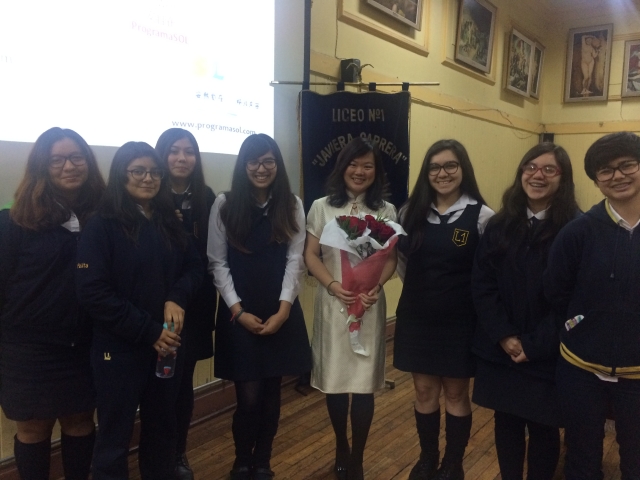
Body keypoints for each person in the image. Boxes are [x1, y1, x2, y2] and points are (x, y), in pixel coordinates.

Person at [76, 141, 203, 480]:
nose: (148, 178)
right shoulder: (101, 225)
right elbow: (93, 292)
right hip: (119, 350)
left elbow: (194, 267)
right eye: (138, 171)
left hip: (167, 348)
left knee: (162, 430)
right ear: (121, 175)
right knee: (114, 436)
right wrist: (149, 332)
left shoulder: (168, 220)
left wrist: (177, 297)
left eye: (154, 172)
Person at [0, 127, 105, 480]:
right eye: (57, 160)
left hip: (85, 344)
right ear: (42, 166)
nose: (68, 166)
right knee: (33, 428)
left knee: (80, 422)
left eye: (76, 158)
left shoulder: (102, 218)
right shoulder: (13, 221)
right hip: (28, 349)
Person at [472, 143, 579, 480]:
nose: (537, 175)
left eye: (549, 169)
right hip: (502, 347)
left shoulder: (576, 229)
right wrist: (504, 335)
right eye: (530, 167)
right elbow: (482, 284)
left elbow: (575, 301)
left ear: (563, 178)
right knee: (506, 422)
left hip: (548, 350)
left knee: (544, 426)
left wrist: (534, 345)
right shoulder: (500, 224)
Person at [208, 133, 311, 480]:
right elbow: (217, 263)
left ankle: (263, 460)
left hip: (280, 310)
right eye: (254, 161)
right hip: (240, 313)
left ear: (277, 165)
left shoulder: (291, 204)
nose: (261, 168)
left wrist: (284, 310)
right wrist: (237, 311)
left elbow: (296, 259)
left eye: (269, 161)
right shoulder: (224, 204)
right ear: (244, 165)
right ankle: (242, 460)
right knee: (248, 397)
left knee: (271, 395)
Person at [394, 139, 493, 480]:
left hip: (460, 322)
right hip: (417, 318)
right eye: (434, 167)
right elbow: (402, 262)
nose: (442, 173)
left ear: (463, 169)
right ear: (426, 173)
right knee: (424, 391)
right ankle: (427, 458)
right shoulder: (408, 213)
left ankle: (453, 463)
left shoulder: (483, 216)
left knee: (455, 393)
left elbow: (487, 272)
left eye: (450, 165)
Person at [545, 132, 640, 480]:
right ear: (596, 181)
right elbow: (556, 291)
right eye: (605, 170)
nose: (618, 176)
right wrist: (581, 323)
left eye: (627, 165)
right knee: (581, 460)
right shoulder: (578, 231)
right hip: (580, 368)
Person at [304, 137, 398, 480]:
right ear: (342, 168)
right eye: (353, 164)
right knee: (335, 380)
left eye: (367, 166)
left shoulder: (387, 210)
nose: (360, 171)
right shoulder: (321, 207)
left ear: (376, 171)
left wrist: (376, 286)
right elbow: (311, 254)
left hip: (369, 306)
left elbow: (391, 258)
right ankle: (341, 445)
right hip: (334, 304)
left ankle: (357, 456)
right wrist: (332, 285)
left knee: (362, 383)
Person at [155, 128, 216, 480]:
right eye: (174, 151)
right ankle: (156, 454)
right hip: (153, 306)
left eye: (189, 151)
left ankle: (178, 452)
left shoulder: (206, 197)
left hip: (194, 305)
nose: (182, 158)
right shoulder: (148, 194)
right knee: (156, 386)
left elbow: (210, 255)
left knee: (181, 385)